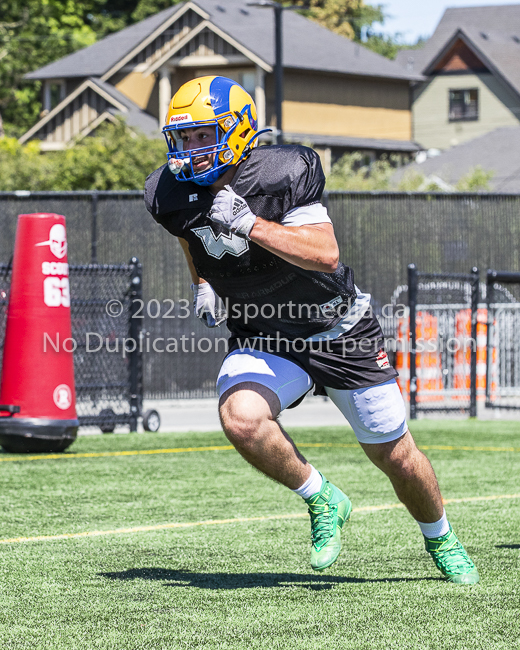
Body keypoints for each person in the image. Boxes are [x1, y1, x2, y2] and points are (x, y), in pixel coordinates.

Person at [144, 75, 479, 583]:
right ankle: (321, 496)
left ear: (236, 130)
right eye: (183, 138)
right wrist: (204, 282)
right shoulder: (169, 192)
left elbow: (325, 254)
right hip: (265, 334)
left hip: (336, 330)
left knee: (395, 454)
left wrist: (251, 224)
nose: (190, 150)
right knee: (241, 418)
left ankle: (441, 538)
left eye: (202, 135)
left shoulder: (282, 171)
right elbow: (190, 237)